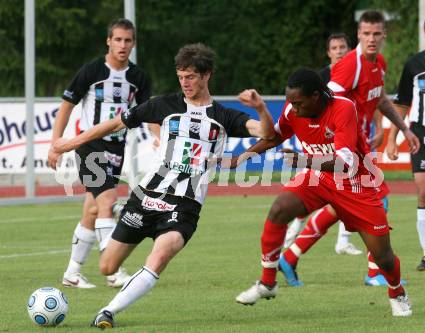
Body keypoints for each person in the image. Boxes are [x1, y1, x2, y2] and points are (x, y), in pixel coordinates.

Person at [52, 43, 276, 328]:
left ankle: (107, 311)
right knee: (107, 266)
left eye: (191, 76)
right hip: (146, 197)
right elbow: (115, 124)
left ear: (207, 75)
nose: (185, 82)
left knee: (162, 252)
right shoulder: (164, 105)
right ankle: (120, 213)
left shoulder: (224, 117)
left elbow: (268, 132)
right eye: (181, 76)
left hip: (185, 205)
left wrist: (260, 108)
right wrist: (71, 143)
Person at [235, 68, 412, 317]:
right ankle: (267, 283)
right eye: (290, 102)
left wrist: (304, 160)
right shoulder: (292, 109)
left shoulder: (343, 108)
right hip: (318, 178)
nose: (292, 109)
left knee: (383, 258)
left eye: (298, 103)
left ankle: (397, 292)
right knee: (279, 209)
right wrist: (241, 158)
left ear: (316, 96)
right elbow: (274, 137)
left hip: (356, 184)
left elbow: (346, 163)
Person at [281, 11, 420, 287]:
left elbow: (379, 99)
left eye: (376, 33)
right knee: (377, 201)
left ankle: (291, 256)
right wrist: (333, 143)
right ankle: (374, 272)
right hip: (345, 153)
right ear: (358, 34)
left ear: (384, 35)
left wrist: (401, 128)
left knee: (340, 207)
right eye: (366, 33)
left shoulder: (379, 63)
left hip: (359, 151)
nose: (371, 38)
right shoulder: (349, 66)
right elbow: (327, 105)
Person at [48, 18, 152, 288]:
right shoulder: (92, 70)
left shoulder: (139, 78)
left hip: (116, 149)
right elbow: (67, 105)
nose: (122, 45)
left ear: (133, 43)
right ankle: (112, 270)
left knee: (93, 210)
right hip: (89, 145)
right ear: (108, 41)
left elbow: (149, 114)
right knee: (107, 202)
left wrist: (159, 138)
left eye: (127, 40)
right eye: (117, 39)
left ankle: (72, 273)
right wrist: (55, 143)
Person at [285, 32, 364, 256]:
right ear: (328, 52)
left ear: (349, 50)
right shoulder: (320, 79)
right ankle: (293, 234)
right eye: (335, 47)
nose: (339, 51)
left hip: (346, 143)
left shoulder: (356, 73)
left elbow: (374, 101)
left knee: (350, 192)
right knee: (318, 194)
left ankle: (342, 241)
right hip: (320, 147)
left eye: (343, 47)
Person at [386, 13, 425, 271]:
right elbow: (401, 104)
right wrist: (392, 139)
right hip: (421, 137)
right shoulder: (414, 64)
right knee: (424, 189)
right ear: (424, 33)